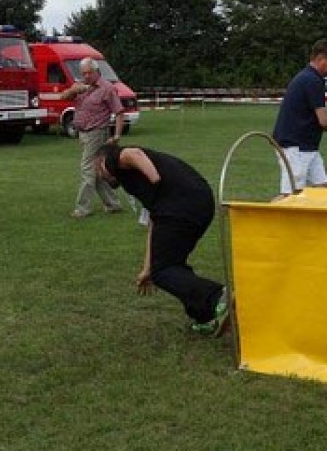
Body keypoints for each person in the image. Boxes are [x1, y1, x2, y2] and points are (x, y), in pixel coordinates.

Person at [93, 144, 229, 336]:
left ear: (100, 162)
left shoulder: (114, 159)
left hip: (180, 205)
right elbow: (154, 223)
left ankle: (218, 297)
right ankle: (205, 316)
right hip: (198, 203)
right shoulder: (136, 182)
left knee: (164, 270)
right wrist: (148, 268)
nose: (100, 177)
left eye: (97, 171)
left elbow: (134, 153)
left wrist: (153, 177)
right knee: (168, 267)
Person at [272, 39, 327, 195]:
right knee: (290, 196)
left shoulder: (307, 77)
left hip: (307, 147)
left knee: (324, 189)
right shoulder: (312, 81)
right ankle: (260, 217)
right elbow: (324, 121)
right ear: (320, 59)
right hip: (295, 148)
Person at [60, 57, 124, 218]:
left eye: (89, 73)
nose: (86, 76)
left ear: (97, 71)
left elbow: (119, 112)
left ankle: (83, 208)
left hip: (97, 132)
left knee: (87, 169)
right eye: (83, 73)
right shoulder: (81, 87)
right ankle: (113, 204)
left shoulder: (107, 89)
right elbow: (63, 97)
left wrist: (117, 135)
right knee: (97, 170)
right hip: (83, 133)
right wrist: (74, 90)